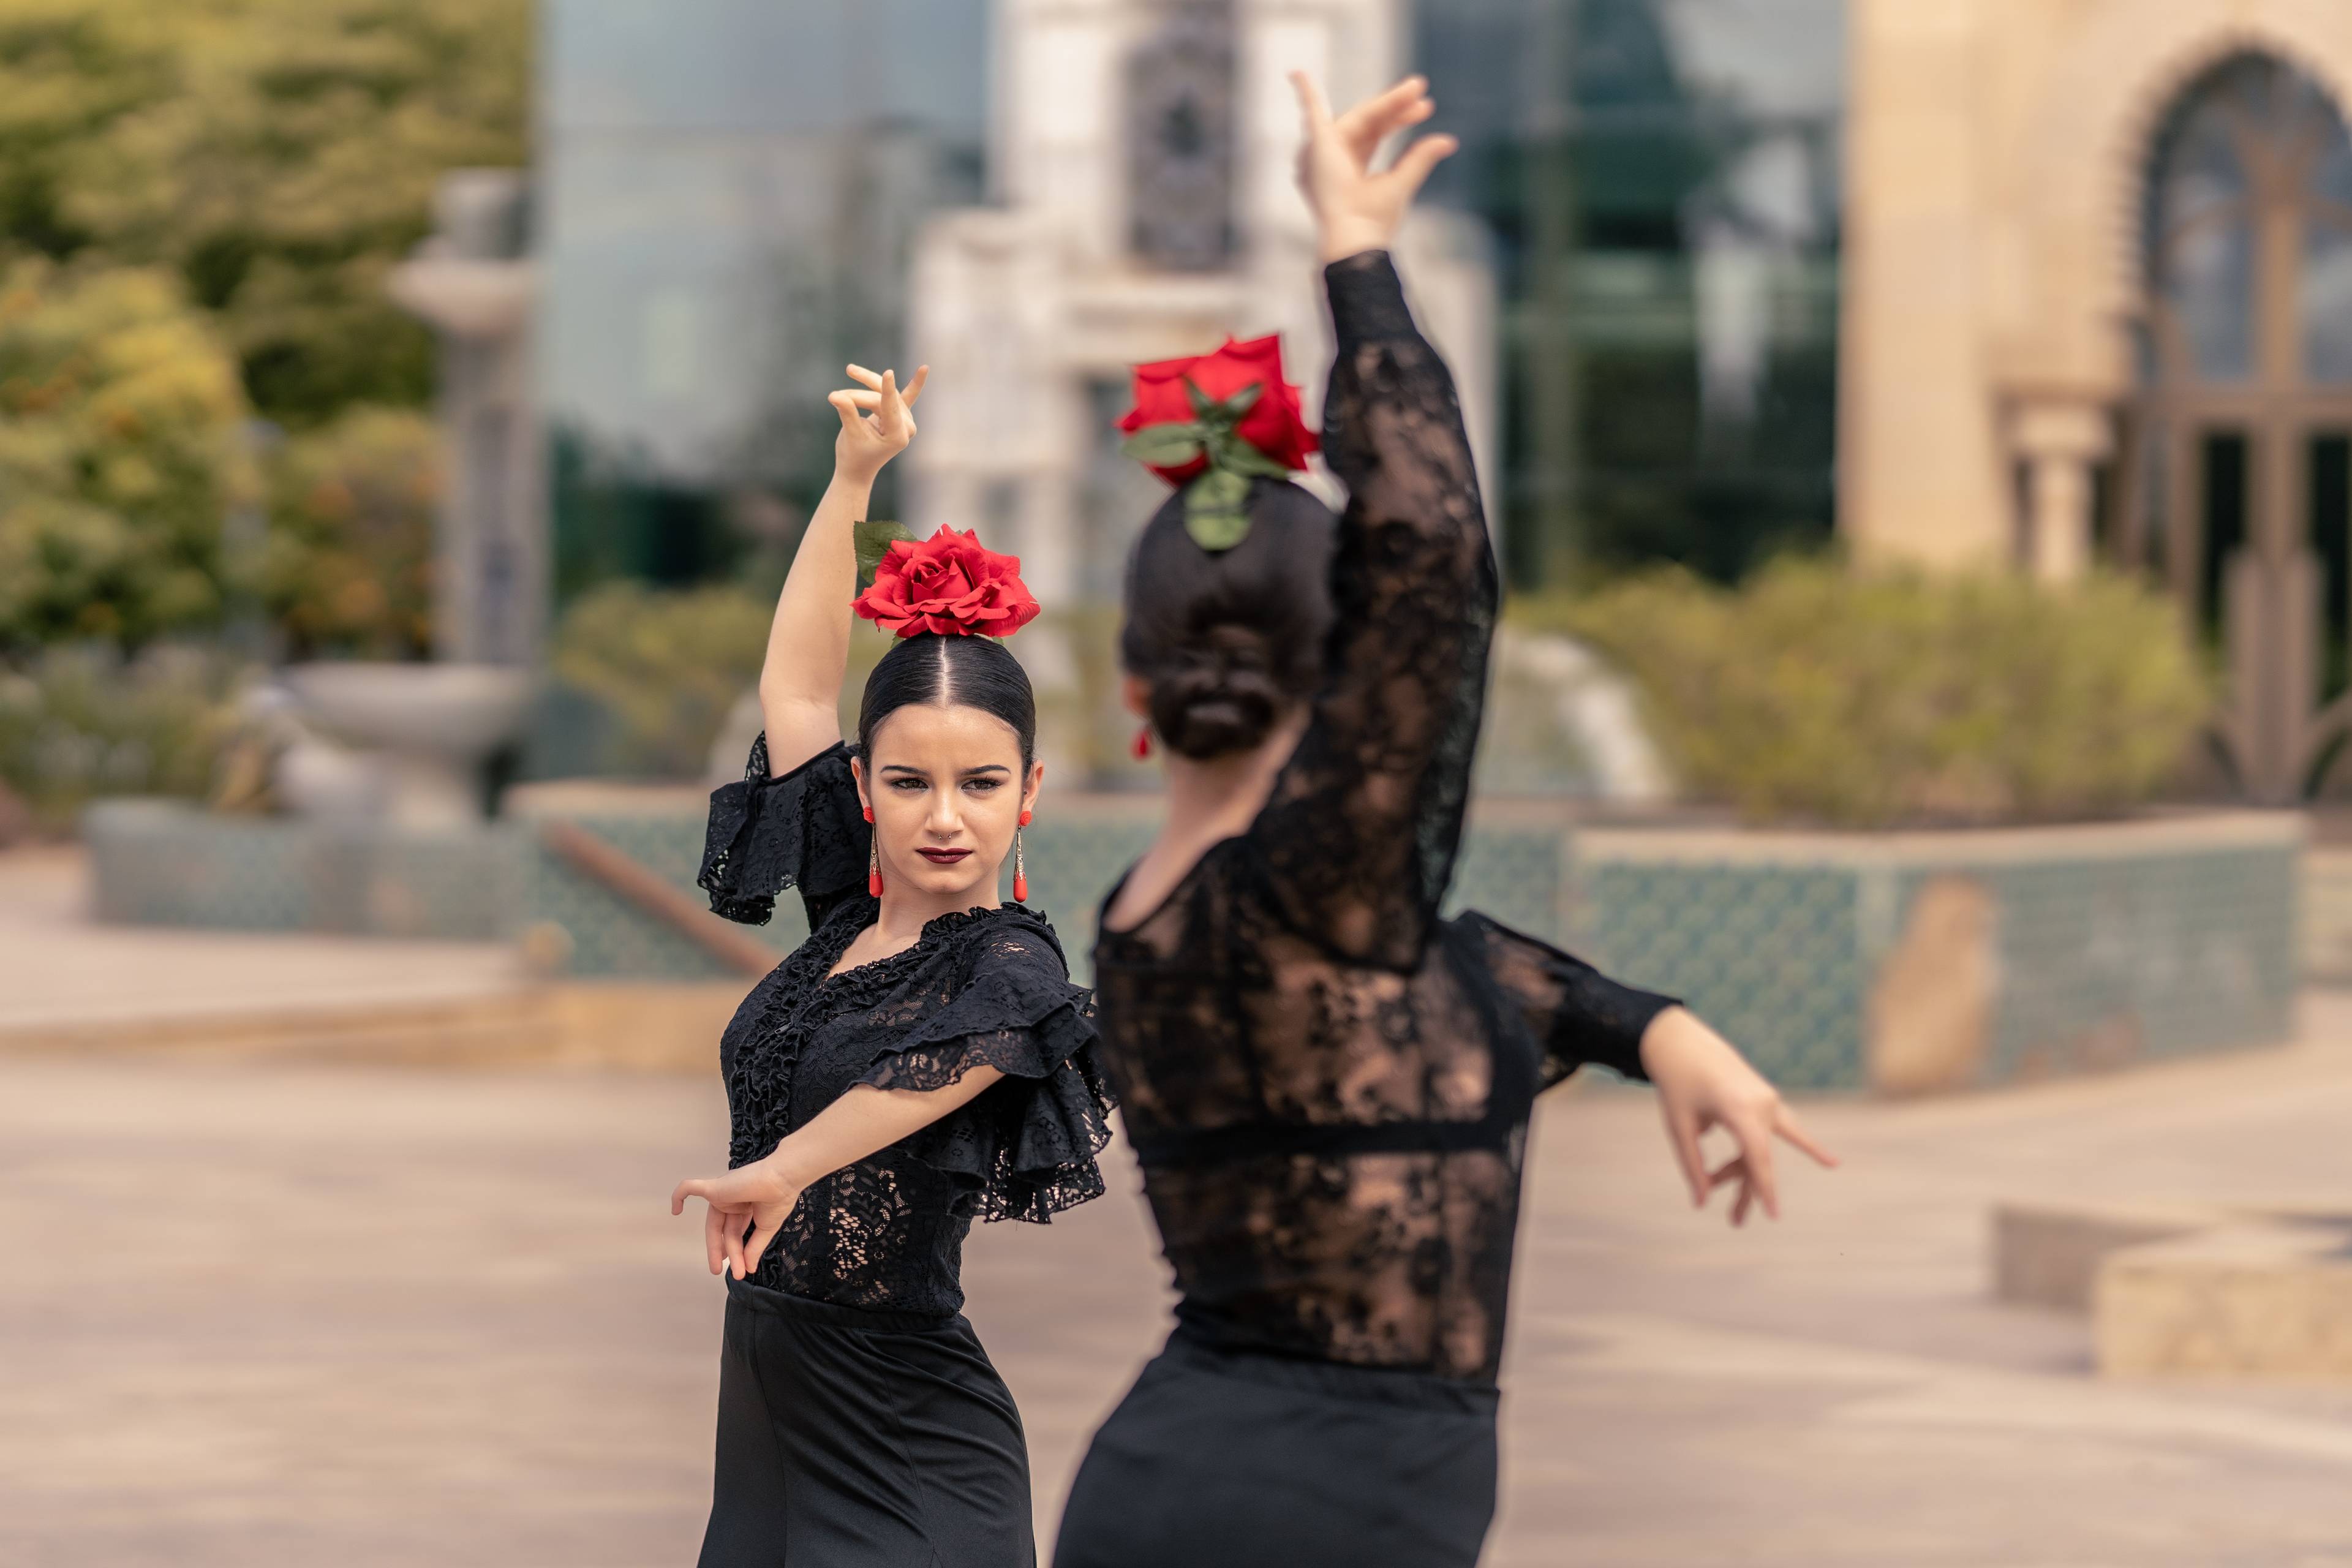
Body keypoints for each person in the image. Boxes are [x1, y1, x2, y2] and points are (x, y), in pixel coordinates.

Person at [1052, 74, 1836, 1568]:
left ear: (1134, 678)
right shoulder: (1305, 887)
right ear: (1344, 666)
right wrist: (1354, 252)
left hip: (1210, 1487)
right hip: (1309, 1513)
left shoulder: (1176, 918)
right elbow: (1437, 561)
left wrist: (1651, 1024)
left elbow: (1449, 989)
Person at [671, 361, 1115, 1568]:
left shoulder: (1009, 960)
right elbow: (801, 684)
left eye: (980, 784)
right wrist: (849, 483)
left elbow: (943, 1071)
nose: (944, 817)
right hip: (768, 1408)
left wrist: (782, 1167)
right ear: (863, 787)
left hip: (909, 1429)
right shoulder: (839, 919)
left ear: (1029, 792)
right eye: (909, 780)